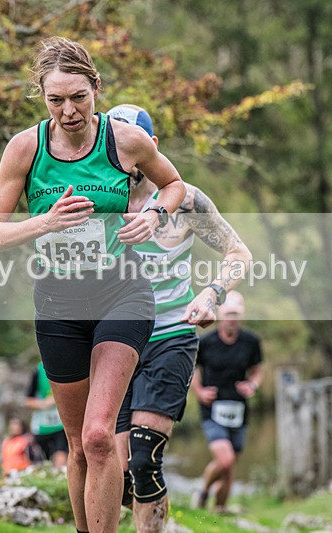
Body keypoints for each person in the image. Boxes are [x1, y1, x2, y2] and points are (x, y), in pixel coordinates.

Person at [0, 36, 186, 533]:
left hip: (122, 294)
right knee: (76, 446)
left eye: (78, 97)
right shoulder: (25, 149)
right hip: (59, 304)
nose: (69, 111)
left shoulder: (125, 141)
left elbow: (174, 184)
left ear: (96, 88)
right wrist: (44, 223)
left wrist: (154, 214)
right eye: (56, 100)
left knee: (98, 436)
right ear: (42, 97)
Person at [106, 104, 251, 533]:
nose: (122, 157)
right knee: (115, 468)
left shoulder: (184, 200)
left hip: (170, 337)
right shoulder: (97, 198)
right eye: (113, 146)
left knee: (144, 459)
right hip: (112, 341)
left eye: (130, 146)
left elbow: (238, 252)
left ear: (151, 146)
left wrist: (212, 293)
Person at [190, 291, 262, 513]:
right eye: (228, 314)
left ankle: (218, 511)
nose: (232, 319)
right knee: (226, 460)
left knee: (230, 469)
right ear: (220, 315)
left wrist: (252, 385)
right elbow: (193, 369)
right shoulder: (206, 342)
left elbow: (257, 371)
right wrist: (199, 391)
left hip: (239, 409)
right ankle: (203, 490)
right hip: (212, 409)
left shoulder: (251, 341)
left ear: (241, 316)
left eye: (235, 314)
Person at [26, 361, 68, 468]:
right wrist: (43, 404)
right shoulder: (38, 370)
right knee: (45, 462)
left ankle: (59, 475)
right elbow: (28, 401)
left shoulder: (66, 365)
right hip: (42, 427)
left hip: (61, 425)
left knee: (60, 457)